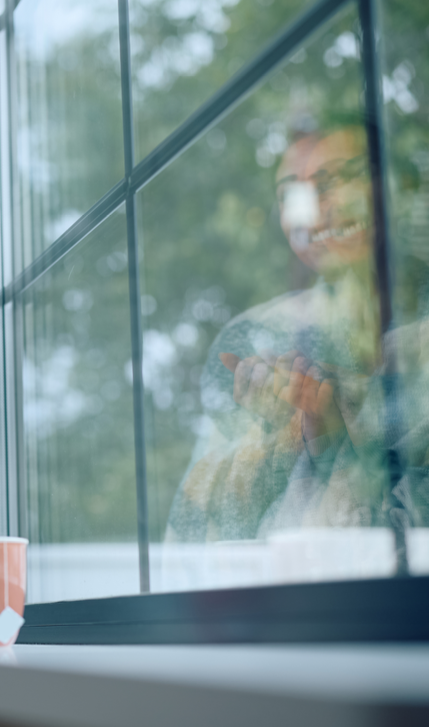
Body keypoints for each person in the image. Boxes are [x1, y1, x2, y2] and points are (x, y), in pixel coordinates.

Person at [166, 124, 428, 550]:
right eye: (291, 194)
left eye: (335, 179)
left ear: (396, 186)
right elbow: (198, 525)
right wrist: (275, 438)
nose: (311, 211)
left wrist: (331, 436)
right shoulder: (258, 336)